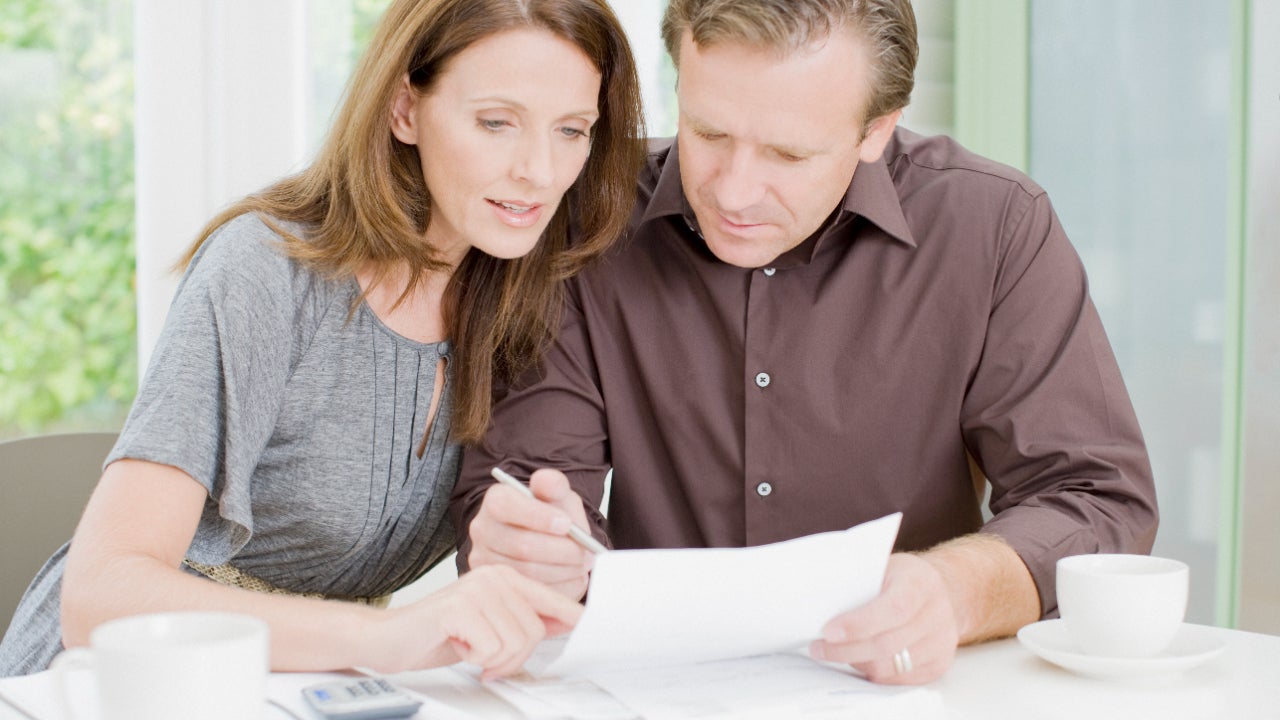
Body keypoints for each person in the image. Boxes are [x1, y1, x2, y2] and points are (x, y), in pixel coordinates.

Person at [449, 0, 1158, 686]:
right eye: (708, 133)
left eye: (788, 153)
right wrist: (536, 555)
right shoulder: (584, 220)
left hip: (915, 694)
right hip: (647, 693)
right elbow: (521, 490)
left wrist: (953, 590)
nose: (734, 191)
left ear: (877, 130)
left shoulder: (995, 227)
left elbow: (1096, 499)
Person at [0, 0, 645, 678]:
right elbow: (99, 597)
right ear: (404, 109)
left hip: (301, 694)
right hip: (118, 685)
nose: (540, 171)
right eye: (495, 122)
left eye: (572, 130)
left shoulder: (524, 302)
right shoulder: (267, 269)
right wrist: (387, 637)